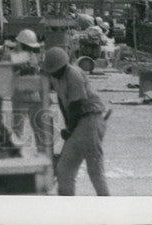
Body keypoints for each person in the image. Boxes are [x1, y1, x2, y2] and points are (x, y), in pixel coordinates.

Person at [42, 46, 110, 196]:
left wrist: (70, 129)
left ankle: (107, 207)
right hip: (78, 124)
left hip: (91, 120)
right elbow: (62, 103)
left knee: (95, 171)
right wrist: (69, 127)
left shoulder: (74, 73)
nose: (54, 74)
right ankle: (68, 207)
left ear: (63, 65)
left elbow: (76, 105)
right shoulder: (57, 78)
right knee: (64, 170)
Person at [5, 29, 53, 155]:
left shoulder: (32, 55)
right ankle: (15, 158)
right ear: (20, 44)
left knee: (41, 130)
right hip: (20, 97)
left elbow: (38, 75)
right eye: (27, 46)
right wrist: (19, 71)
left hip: (36, 97)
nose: (29, 49)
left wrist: (45, 95)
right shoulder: (11, 56)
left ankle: (43, 155)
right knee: (17, 131)